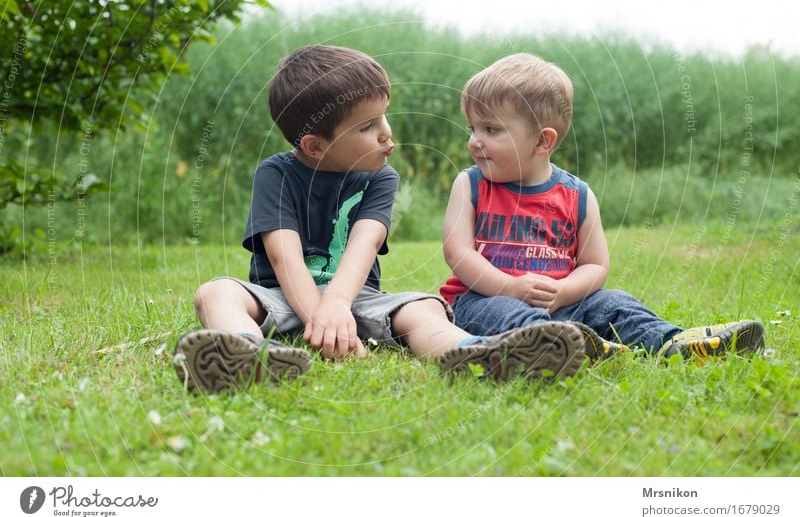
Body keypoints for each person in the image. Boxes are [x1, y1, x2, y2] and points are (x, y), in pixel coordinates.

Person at [173, 45, 587, 393]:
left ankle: (477, 353)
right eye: (369, 126)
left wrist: (338, 307)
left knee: (426, 306)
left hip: (358, 298)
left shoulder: (381, 177)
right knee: (215, 292)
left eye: (384, 117)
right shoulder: (275, 174)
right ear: (316, 146)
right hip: (282, 294)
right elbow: (284, 258)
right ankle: (243, 352)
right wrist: (321, 317)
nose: (387, 133)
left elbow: (364, 244)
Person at [439, 53, 765, 361]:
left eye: (491, 129)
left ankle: (672, 342)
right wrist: (508, 287)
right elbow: (458, 252)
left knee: (614, 302)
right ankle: (558, 342)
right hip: (481, 299)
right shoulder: (471, 185)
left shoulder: (577, 195)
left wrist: (565, 291)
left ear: (542, 141)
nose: (474, 141)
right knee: (504, 312)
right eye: (473, 128)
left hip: (563, 306)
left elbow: (596, 265)